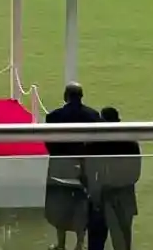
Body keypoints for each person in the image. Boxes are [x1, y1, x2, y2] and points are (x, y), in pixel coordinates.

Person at [45, 83, 101, 250]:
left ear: (65, 96)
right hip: (85, 167)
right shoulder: (92, 115)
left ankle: (61, 243)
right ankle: (79, 243)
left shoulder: (54, 116)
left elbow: (49, 142)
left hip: (60, 166)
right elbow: (97, 143)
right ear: (81, 96)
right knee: (81, 205)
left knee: (59, 204)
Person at [86, 107, 140, 250]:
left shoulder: (95, 143)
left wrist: (94, 192)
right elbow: (135, 174)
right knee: (123, 242)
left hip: (101, 197)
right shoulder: (130, 143)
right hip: (123, 197)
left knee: (96, 241)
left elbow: (88, 172)